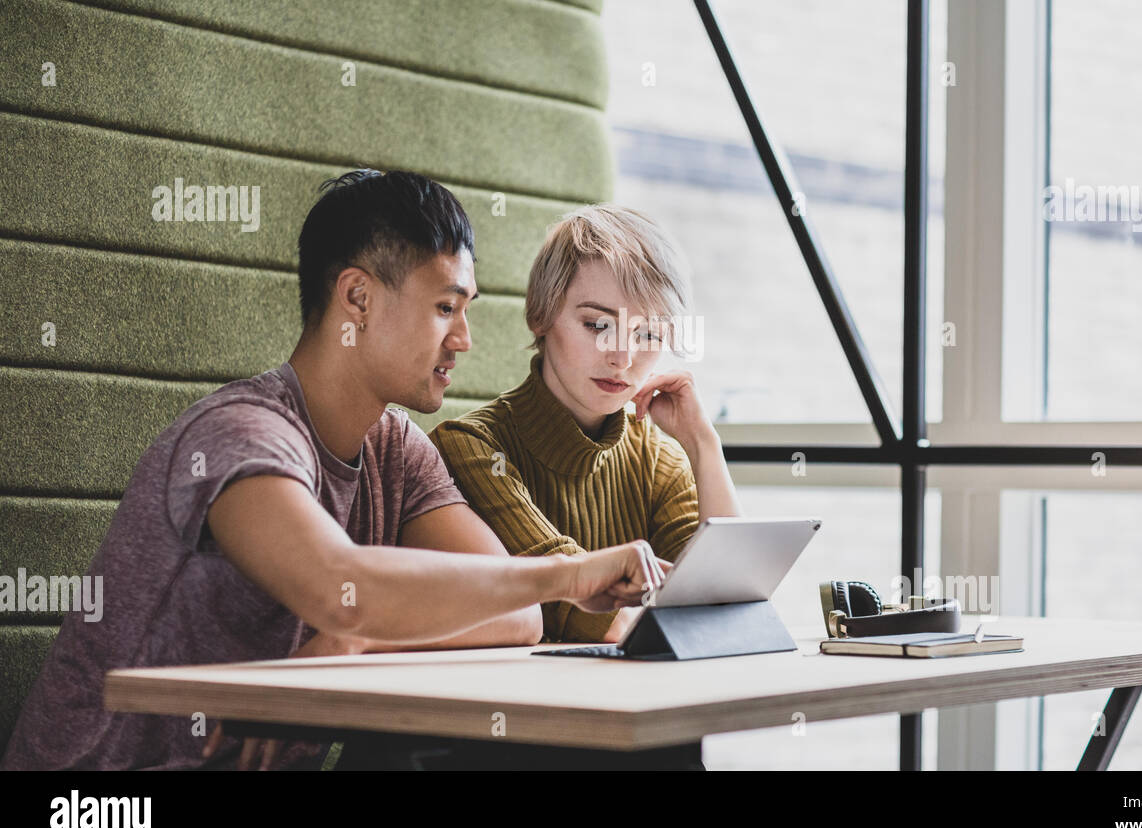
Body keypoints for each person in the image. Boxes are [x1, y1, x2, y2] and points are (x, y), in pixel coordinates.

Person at [0, 171, 663, 771]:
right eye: (444, 308)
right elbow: (335, 582)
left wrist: (354, 636)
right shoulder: (239, 434)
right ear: (358, 298)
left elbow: (515, 615)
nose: (464, 339)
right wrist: (572, 575)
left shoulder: (396, 446)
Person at [433, 204, 741, 644]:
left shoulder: (659, 459)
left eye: (648, 334)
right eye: (598, 324)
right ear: (540, 316)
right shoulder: (473, 447)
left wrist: (702, 444)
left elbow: (730, 606)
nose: (623, 357)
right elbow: (582, 609)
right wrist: (688, 618)